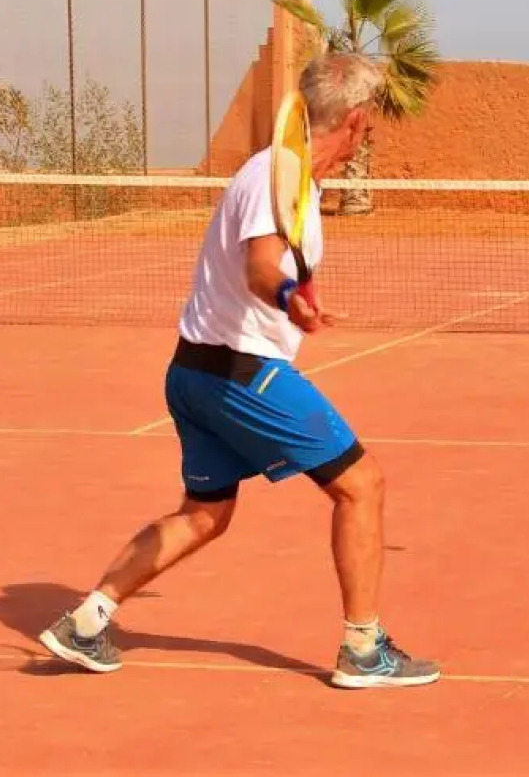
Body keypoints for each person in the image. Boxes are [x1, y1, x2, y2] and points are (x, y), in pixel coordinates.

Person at [37, 50, 440, 690]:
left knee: (206, 513)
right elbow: (260, 267)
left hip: (194, 372)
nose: (370, 133)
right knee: (362, 485)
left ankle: (86, 622)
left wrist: (294, 299)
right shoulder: (279, 175)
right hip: (240, 374)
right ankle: (363, 649)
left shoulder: (293, 178)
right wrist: (289, 296)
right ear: (356, 120)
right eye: (372, 121)